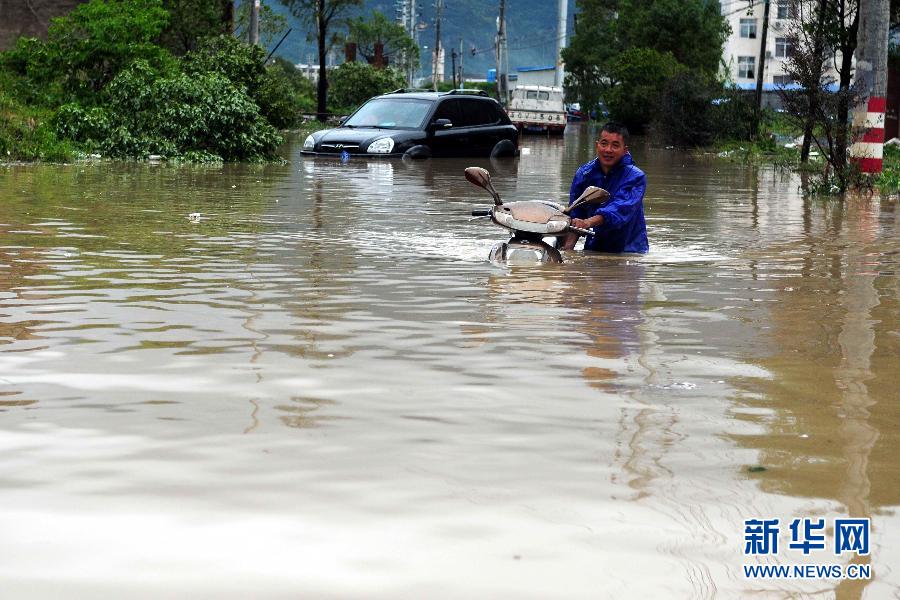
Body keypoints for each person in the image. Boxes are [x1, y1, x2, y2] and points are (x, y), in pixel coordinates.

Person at [560, 122, 649, 253]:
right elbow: (576, 214)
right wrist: (567, 250)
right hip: (594, 249)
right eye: (604, 143)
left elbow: (620, 209)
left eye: (615, 145)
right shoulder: (584, 174)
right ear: (597, 145)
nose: (608, 150)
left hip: (630, 251)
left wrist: (588, 222)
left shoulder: (636, 177)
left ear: (625, 150)